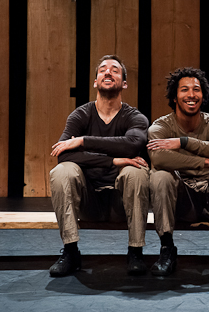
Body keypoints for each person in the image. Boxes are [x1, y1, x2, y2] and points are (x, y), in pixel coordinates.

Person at [48, 55, 150, 277]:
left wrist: (83, 141)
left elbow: (133, 144)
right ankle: (70, 251)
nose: (108, 72)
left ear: (124, 83)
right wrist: (113, 160)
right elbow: (62, 155)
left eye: (115, 70)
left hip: (122, 203)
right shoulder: (80, 115)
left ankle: (135, 252)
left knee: (136, 171)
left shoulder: (135, 117)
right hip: (88, 201)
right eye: (103, 69)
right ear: (95, 82)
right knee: (62, 171)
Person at [147, 67, 209, 276]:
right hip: (180, 200)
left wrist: (184, 142)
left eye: (196, 89)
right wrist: (207, 162)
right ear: (174, 97)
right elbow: (159, 158)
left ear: (203, 95)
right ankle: (167, 250)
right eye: (184, 89)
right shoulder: (160, 127)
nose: (191, 95)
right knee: (160, 175)